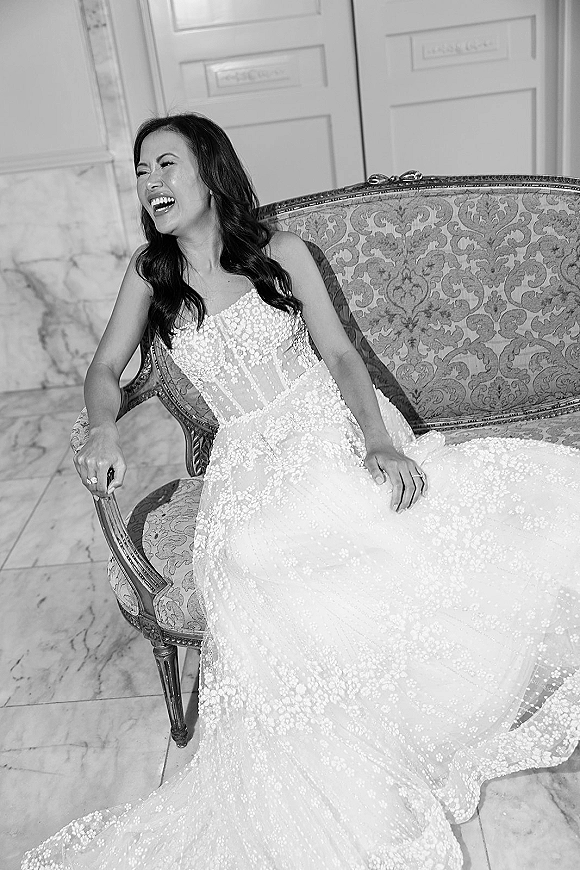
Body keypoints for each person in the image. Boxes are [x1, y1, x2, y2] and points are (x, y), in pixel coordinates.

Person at [23, 113, 580, 870]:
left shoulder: (280, 253)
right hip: (248, 456)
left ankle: (415, 705)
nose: (151, 184)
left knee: (433, 528)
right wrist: (104, 429)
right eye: (142, 173)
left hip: (324, 430)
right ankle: (353, 735)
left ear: (211, 173)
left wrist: (379, 441)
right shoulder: (149, 276)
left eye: (166, 165)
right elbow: (101, 371)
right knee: (258, 564)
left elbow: (342, 356)